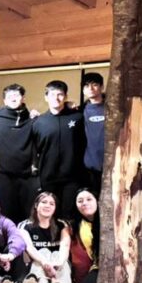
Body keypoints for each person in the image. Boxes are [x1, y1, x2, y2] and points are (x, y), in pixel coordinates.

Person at [32, 80, 85, 220]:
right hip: (48, 177)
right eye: (52, 94)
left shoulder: (78, 117)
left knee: (69, 216)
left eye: (60, 94)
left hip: (73, 177)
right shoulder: (38, 122)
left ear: (66, 96)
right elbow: (34, 150)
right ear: (46, 97)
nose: (56, 98)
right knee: (50, 216)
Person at [19, 192, 73, 283]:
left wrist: (58, 263)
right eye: (44, 202)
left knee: (58, 255)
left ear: (55, 208)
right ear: (36, 205)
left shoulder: (61, 224)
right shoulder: (25, 225)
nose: (47, 205)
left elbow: (65, 246)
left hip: (58, 268)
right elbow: (30, 248)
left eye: (51, 204)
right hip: (36, 267)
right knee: (43, 252)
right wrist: (45, 263)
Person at [0, 84, 37, 225]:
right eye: (9, 96)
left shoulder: (31, 117)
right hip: (5, 174)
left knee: (27, 214)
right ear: (4, 100)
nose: (13, 98)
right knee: (7, 215)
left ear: (23, 98)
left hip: (27, 175)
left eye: (16, 95)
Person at [69, 189, 100, 283]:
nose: (84, 203)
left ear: (97, 201)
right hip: (98, 266)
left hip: (119, 265)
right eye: (80, 201)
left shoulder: (112, 218)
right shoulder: (76, 225)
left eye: (89, 199)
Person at [81, 72, 106, 194]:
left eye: (94, 84)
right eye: (86, 86)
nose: (90, 88)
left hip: (113, 164)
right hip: (89, 166)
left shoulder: (114, 108)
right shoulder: (80, 111)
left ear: (102, 87)